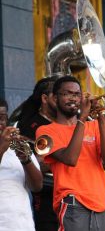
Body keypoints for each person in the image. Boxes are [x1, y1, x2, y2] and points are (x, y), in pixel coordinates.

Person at [36, 76, 105, 231]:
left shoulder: (93, 125)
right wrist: (83, 118)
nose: (73, 98)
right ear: (55, 98)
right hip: (74, 203)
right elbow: (70, 158)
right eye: (67, 94)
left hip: (101, 201)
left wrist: (100, 117)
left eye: (77, 94)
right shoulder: (46, 131)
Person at [10, 76, 59, 231]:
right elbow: (26, 162)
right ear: (44, 98)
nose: (64, 98)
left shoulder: (68, 119)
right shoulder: (29, 124)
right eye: (57, 95)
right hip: (46, 195)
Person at [0, 98, 43, 230]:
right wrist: (2, 148)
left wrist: (26, 159)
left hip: (21, 225)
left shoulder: (17, 145)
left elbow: (36, 186)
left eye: (2, 117)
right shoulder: (5, 145)